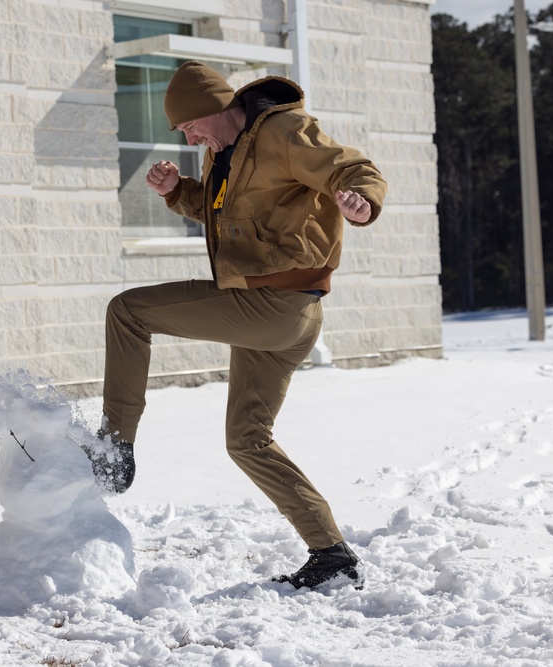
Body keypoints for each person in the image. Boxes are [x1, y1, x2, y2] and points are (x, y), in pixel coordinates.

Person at [86, 60, 387, 589]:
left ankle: (115, 445)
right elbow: (228, 215)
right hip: (281, 313)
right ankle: (331, 553)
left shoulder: (282, 130)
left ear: (213, 108)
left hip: (275, 306)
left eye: (188, 126)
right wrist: (179, 191)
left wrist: (361, 202)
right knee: (248, 439)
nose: (188, 135)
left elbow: (351, 167)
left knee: (128, 311)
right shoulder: (223, 153)